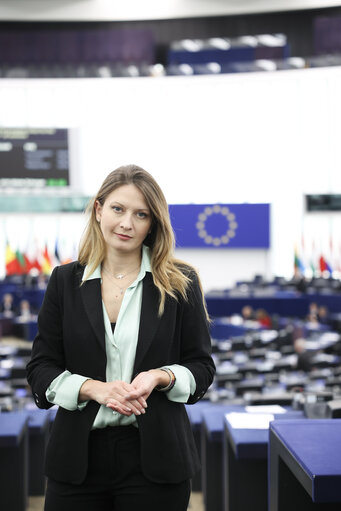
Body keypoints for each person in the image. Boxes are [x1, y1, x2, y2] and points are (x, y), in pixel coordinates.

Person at [26, 164, 215, 511]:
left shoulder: (181, 282)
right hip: (77, 460)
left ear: (152, 223)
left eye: (140, 214)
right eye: (118, 209)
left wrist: (163, 376)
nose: (127, 223)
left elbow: (202, 367)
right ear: (99, 210)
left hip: (157, 459)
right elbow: (41, 370)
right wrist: (93, 388)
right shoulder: (64, 281)